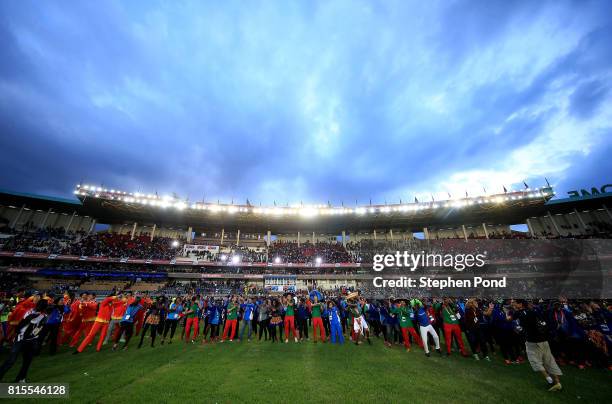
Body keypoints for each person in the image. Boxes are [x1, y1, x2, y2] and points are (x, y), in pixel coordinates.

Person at [513, 300, 563, 392]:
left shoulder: (521, 314)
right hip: (543, 339)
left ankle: (548, 378)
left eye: (515, 302)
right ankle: (557, 383)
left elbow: (520, 328)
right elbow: (544, 324)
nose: (513, 304)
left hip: (532, 341)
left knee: (534, 360)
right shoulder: (535, 312)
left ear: (520, 304)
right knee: (549, 360)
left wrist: (518, 328)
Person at [0, 299, 48, 382]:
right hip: (22, 339)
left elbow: (37, 327)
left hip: (29, 339)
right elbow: (24, 323)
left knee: (25, 361)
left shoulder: (40, 315)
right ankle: (20, 378)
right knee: (12, 360)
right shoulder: (32, 313)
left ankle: (21, 378)